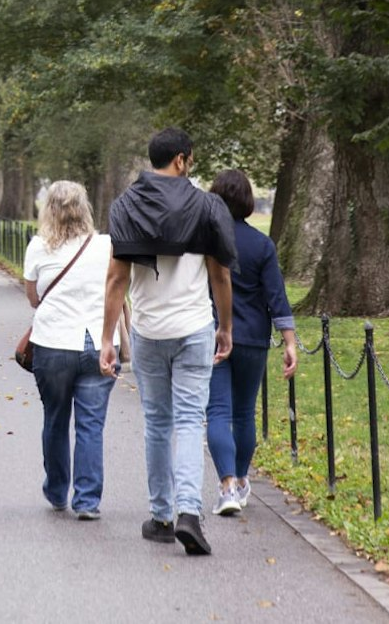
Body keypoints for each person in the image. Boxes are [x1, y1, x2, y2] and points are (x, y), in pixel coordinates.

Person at [100, 127, 237, 555]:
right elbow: (219, 275)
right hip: (194, 328)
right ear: (182, 159)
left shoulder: (125, 207)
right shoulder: (207, 207)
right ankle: (190, 513)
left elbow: (116, 279)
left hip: (148, 332)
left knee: (158, 423)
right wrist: (225, 326)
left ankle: (161, 516)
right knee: (189, 421)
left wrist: (108, 338)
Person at [205, 169, 297, 516]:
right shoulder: (262, 245)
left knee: (217, 411)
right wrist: (289, 342)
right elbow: (277, 297)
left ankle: (227, 486)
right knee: (244, 413)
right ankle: (242, 479)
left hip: (214, 335)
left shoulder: (206, 243)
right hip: (254, 339)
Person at [23, 181, 117, 520]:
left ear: (48, 210)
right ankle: (88, 500)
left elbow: (33, 298)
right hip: (97, 341)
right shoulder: (106, 245)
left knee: (55, 418)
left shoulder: (37, 247)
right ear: (85, 208)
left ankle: (57, 489)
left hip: (52, 343)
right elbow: (118, 288)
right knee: (91, 425)